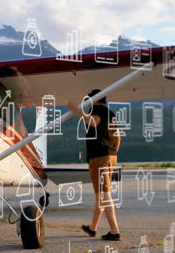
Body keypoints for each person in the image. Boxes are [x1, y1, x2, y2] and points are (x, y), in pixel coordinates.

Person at [67, 89, 122, 241]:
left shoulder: (97, 111)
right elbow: (118, 137)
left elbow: (92, 122)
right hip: (110, 156)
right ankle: (93, 228)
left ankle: (115, 231)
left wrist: (76, 110)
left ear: (95, 100)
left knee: (104, 194)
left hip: (99, 158)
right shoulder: (111, 114)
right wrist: (112, 153)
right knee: (100, 194)